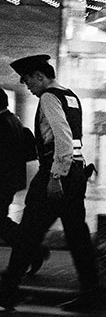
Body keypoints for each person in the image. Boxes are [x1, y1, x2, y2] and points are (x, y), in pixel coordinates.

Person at [0, 54, 99, 312]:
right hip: (76, 174)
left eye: (28, 80)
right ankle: (91, 292)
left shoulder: (48, 97)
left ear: (39, 76)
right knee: (77, 236)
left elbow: (63, 138)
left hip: (56, 174)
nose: (28, 88)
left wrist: (56, 175)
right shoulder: (71, 96)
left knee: (28, 232)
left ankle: (8, 291)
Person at [0, 90, 48, 279]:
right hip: (10, 180)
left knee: (1, 222)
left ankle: (34, 250)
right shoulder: (14, 120)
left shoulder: (2, 124)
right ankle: (34, 250)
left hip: (2, 181)